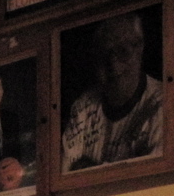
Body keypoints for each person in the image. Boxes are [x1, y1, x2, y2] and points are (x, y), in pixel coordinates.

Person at [61, 11, 163, 171]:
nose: (114, 65)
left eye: (123, 51)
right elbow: (66, 174)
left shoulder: (163, 103)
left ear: (140, 49)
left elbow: (148, 181)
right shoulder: (83, 107)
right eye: (105, 54)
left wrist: (86, 168)